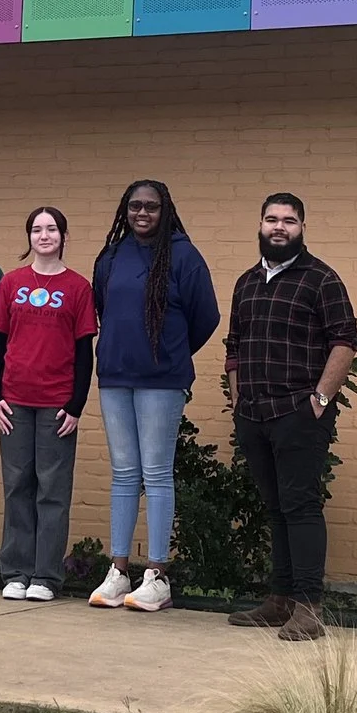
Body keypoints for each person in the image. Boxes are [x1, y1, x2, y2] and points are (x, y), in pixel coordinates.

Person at [223, 193, 357, 642]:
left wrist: (320, 399)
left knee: (301, 507)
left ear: (302, 227)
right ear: (260, 226)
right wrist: (238, 396)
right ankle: (279, 600)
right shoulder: (246, 282)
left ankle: (309, 607)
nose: (279, 227)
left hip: (299, 414)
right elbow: (234, 344)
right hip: (255, 415)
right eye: (271, 219)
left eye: (289, 220)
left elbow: (344, 341)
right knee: (274, 507)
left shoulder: (321, 279)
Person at [84, 179, 219, 614]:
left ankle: (157, 575)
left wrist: (169, 352)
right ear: (125, 209)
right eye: (135, 206)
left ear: (166, 210)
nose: (143, 213)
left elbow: (206, 318)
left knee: (157, 473)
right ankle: (119, 571)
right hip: (115, 376)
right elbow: (104, 309)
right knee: (124, 472)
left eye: (152, 207)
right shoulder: (111, 256)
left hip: (162, 379)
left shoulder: (184, 255)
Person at [0, 207, 96, 603]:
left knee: (52, 491)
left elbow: (85, 352)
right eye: (36, 229)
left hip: (57, 406)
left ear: (64, 236)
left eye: (51, 229)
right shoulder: (11, 283)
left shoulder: (79, 288)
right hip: (14, 403)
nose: (43, 236)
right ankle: (15, 572)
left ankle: (46, 577)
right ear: (28, 237)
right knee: (17, 487)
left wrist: (77, 405)